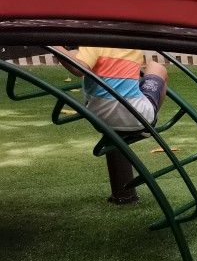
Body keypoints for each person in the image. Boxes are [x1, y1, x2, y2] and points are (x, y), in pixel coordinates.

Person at [51, 45, 169, 203]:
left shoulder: (93, 44)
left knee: (117, 86)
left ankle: (145, 120)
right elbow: (81, 68)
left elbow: (79, 68)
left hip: (99, 118)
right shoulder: (132, 47)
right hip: (137, 118)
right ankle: (149, 124)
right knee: (157, 67)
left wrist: (55, 46)